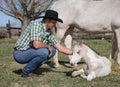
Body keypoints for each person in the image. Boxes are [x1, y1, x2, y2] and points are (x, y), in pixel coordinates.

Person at [13, 10, 73, 78]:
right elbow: (36, 44)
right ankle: (26, 72)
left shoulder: (49, 32)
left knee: (53, 50)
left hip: (30, 51)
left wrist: (75, 53)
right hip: (20, 53)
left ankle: (32, 69)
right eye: (53, 22)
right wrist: (47, 46)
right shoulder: (36, 25)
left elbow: (59, 47)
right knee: (44, 52)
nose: (55, 25)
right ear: (47, 20)